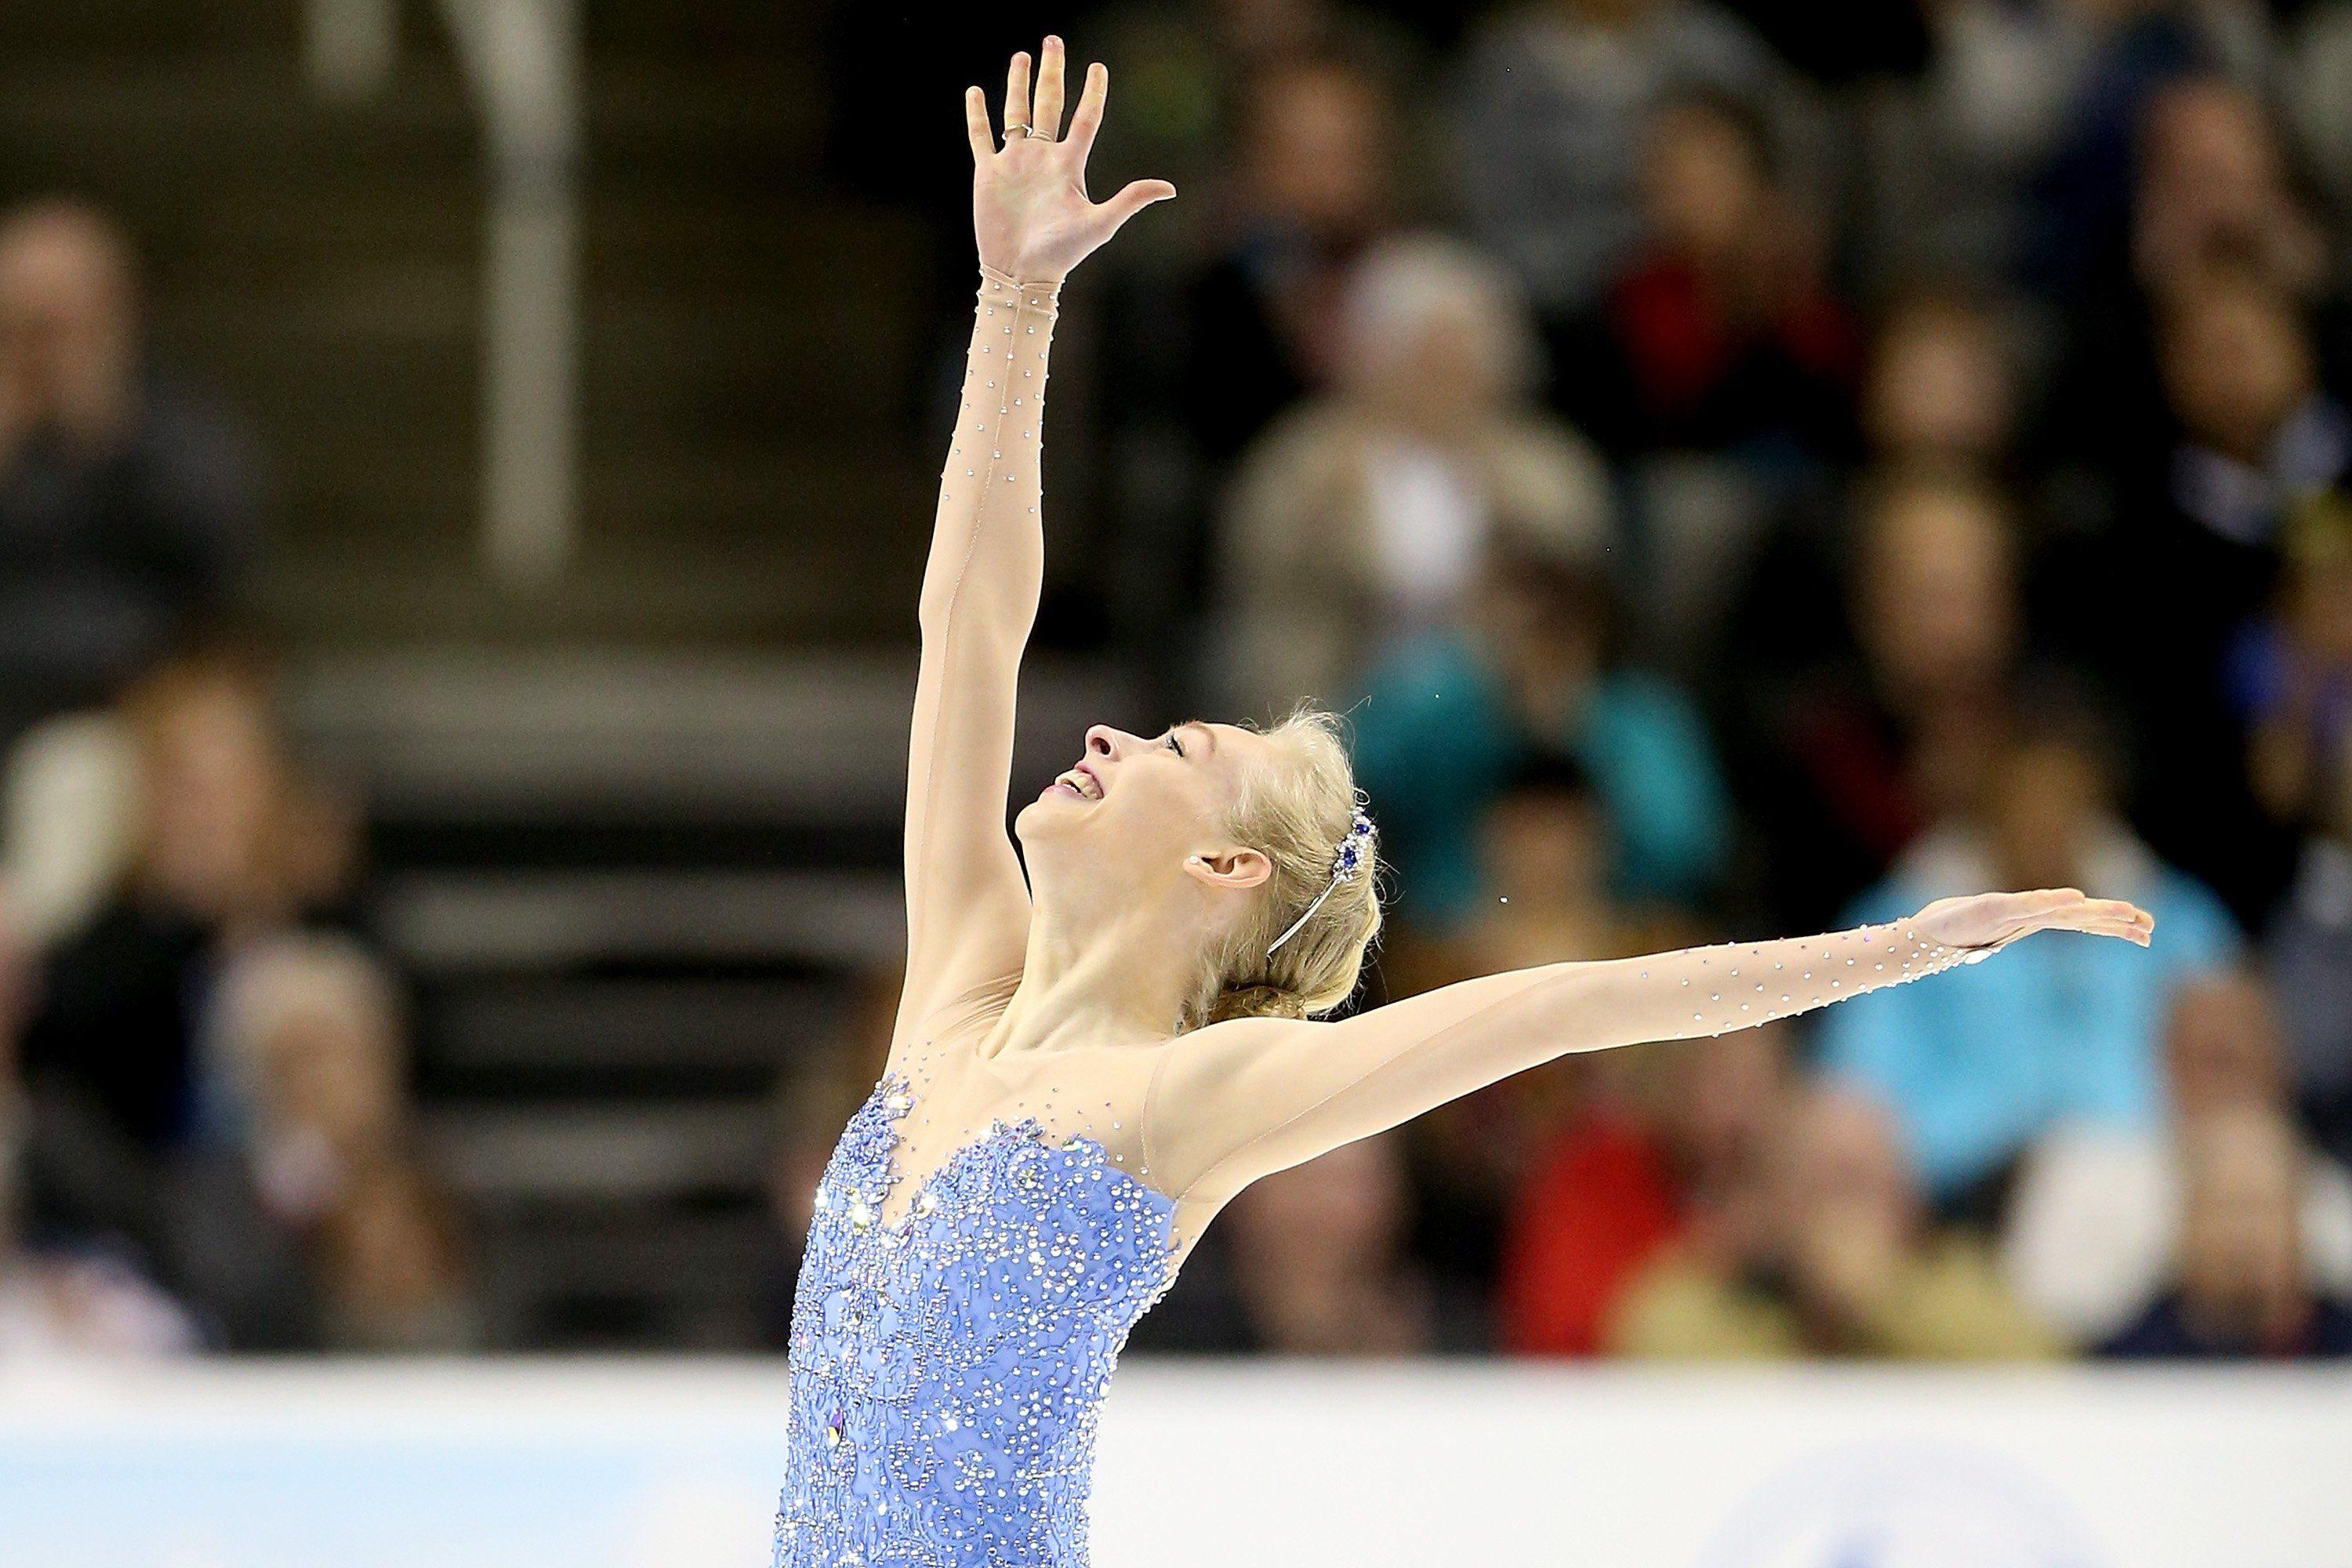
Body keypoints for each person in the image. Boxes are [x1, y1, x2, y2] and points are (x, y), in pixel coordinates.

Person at [768, 42, 2153, 1568]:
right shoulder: (957, 991)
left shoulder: (1176, 1105)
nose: (1107, 732)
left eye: (1175, 745)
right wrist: (1018, 302)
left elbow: (1569, 1005)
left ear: (1229, 864)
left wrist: (1905, 944)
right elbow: (970, 621)